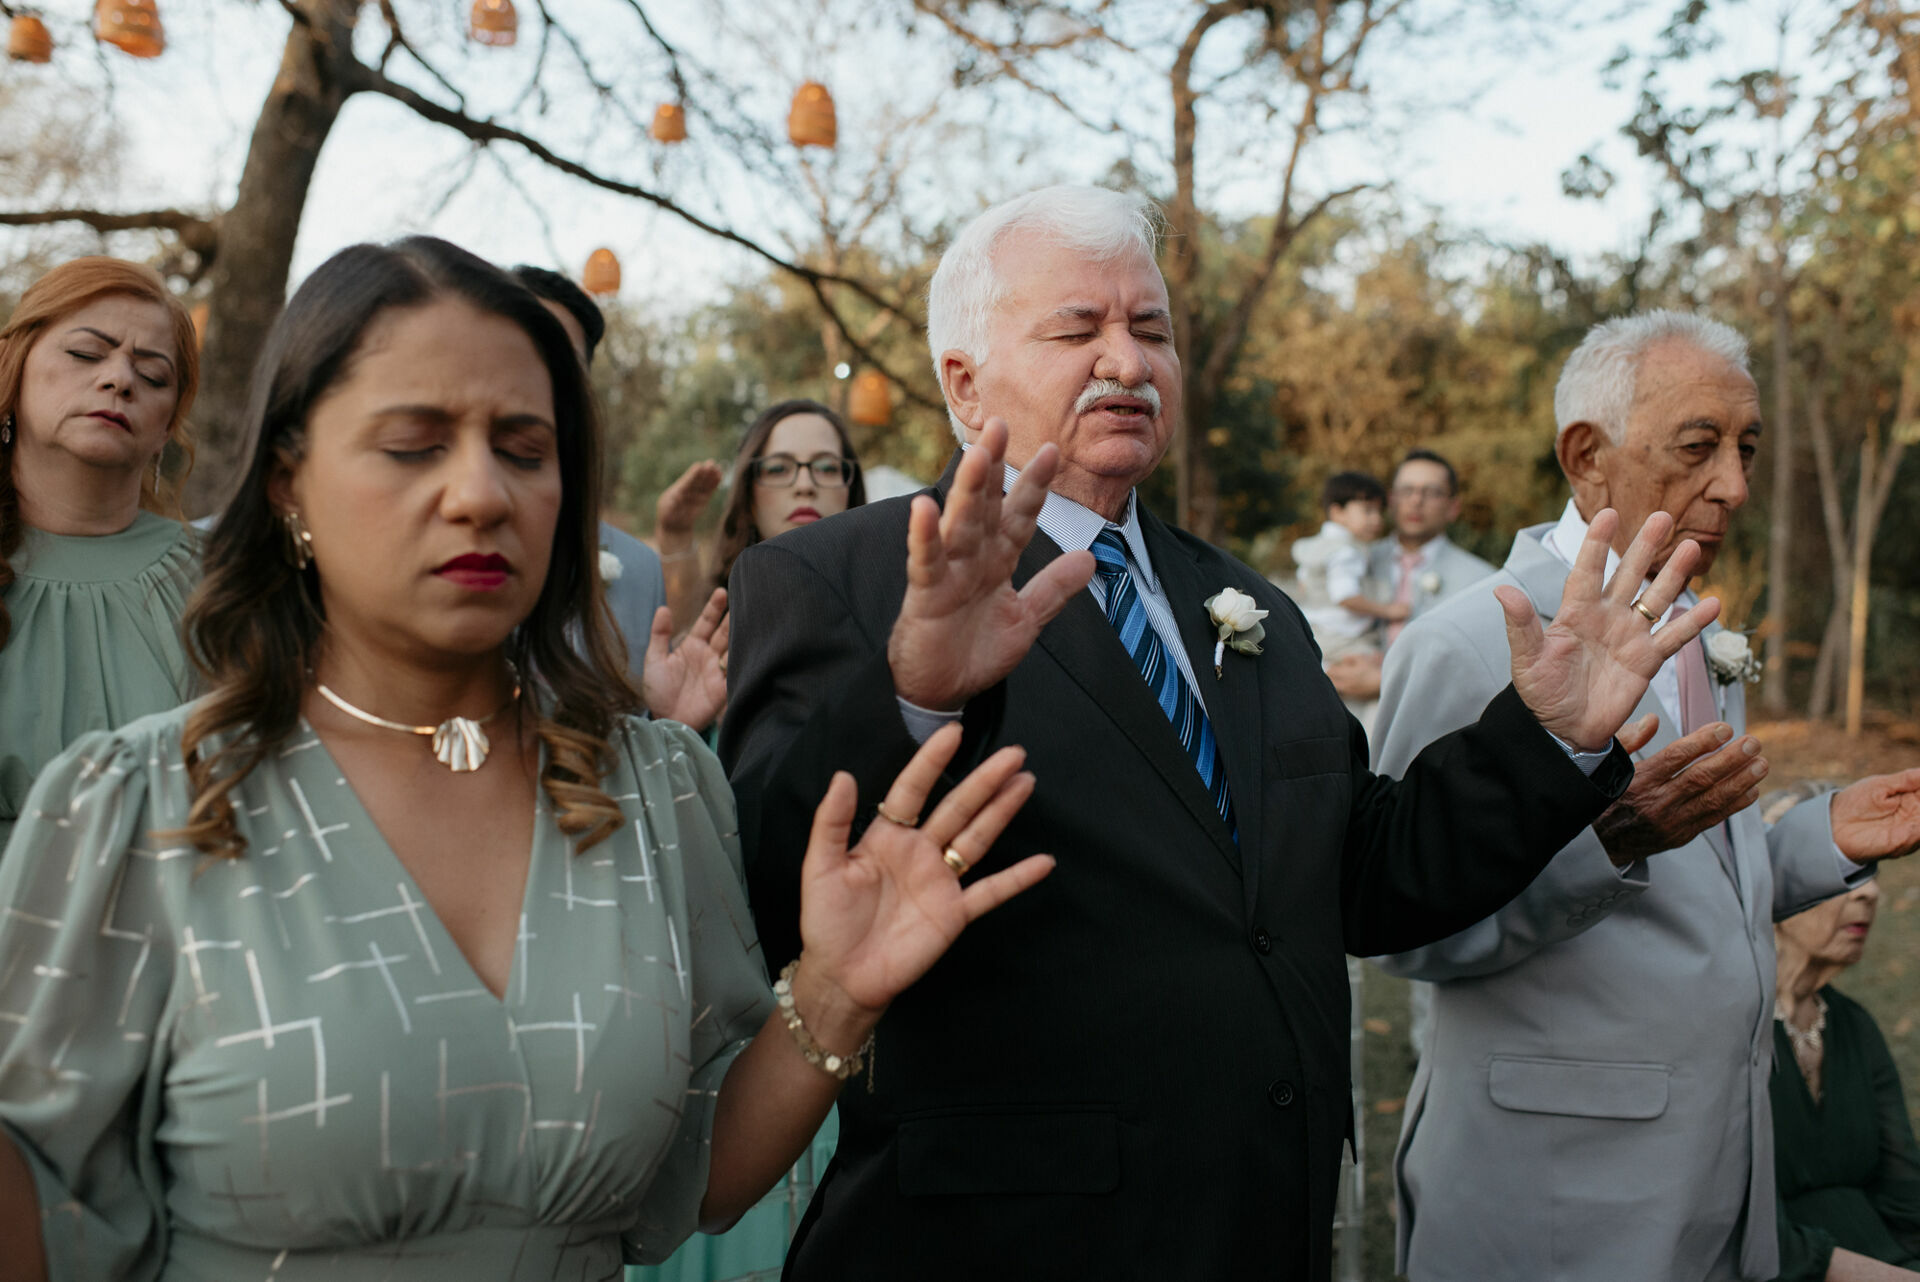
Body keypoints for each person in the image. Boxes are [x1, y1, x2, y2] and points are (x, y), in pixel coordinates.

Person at [719, 184, 1730, 1279]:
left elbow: (1365, 878)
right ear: (963, 381)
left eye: (1151, 329)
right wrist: (920, 697)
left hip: (1258, 1223)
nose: (1127, 361)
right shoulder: (840, 577)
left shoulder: (1250, 608)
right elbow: (774, 890)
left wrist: (1545, 737)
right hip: (1003, 1240)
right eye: (1079, 329)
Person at [0, 237, 1053, 1281]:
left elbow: (696, 1181)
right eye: (413, 443)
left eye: (523, 446)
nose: (480, 493)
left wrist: (833, 992)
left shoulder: (652, 792)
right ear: (288, 481)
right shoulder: (138, 805)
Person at [1372, 310, 1920, 1282]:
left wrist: (1823, 836)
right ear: (1587, 456)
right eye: (1700, 447)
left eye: (1747, 449)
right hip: (1558, 1191)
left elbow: (1702, 872)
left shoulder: (1697, 629)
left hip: (1713, 1175)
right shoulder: (1463, 646)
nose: (1736, 486)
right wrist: (1611, 842)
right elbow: (1413, 927)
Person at [630, 400, 866, 1282]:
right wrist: (671, 731)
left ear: (852, 486)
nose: (804, 481)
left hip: (850, 990)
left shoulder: (900, 631)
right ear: (747, 489)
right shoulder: (703, 636)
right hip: (711, 1000)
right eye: (780, 465)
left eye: (826, 464)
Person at [0, 256, 200, 851]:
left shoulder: (227, 580)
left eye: (154, 375)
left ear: (166, 427)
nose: (119, 380)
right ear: (14, 369)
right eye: (87, 354)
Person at [510, 265, 725, 731]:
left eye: (562, 363)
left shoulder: (639, 569)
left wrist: (671, 728)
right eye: (520, 350)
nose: (538, 379)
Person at [1765, 798, 1920, 1282]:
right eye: (1846, 872)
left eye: (1869, 873)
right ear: (1770, 884)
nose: (1869, 894)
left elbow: (1907, 1198)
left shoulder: (1854, 1025)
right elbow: (1742, 1230)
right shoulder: (1722, 1032)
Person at [1290, 470, 1399, 662]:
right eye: (1368, 510)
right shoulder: (1346, 552)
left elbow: (1303, 583)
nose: (1377, 519)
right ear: (1337, 512)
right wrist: (1388, 610)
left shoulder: (1319, 545)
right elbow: (1345, 596)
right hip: (1340, 633)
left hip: (1314, 626)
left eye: (1379, 511)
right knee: (1378, 664)